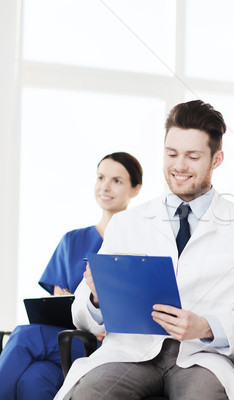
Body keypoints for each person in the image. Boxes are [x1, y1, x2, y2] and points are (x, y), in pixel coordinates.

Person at [55, 99, 234, 400]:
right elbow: (81, 316)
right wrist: (97, 297)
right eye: (172, 154)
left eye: (192, 156)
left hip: (202, 357)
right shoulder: (126, 223)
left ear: (216, 159)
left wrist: (207, 326)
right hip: (129, 352)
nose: (179, 166)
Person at [0, 152, 143, 400]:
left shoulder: (139, 244)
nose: (105, 186)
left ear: (135, 189)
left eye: (117, 181)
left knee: (24, 335)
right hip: (65, 341)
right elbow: (59, 303)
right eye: (100, 177)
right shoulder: (72, 240)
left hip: (105, 346)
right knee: (35, 378)